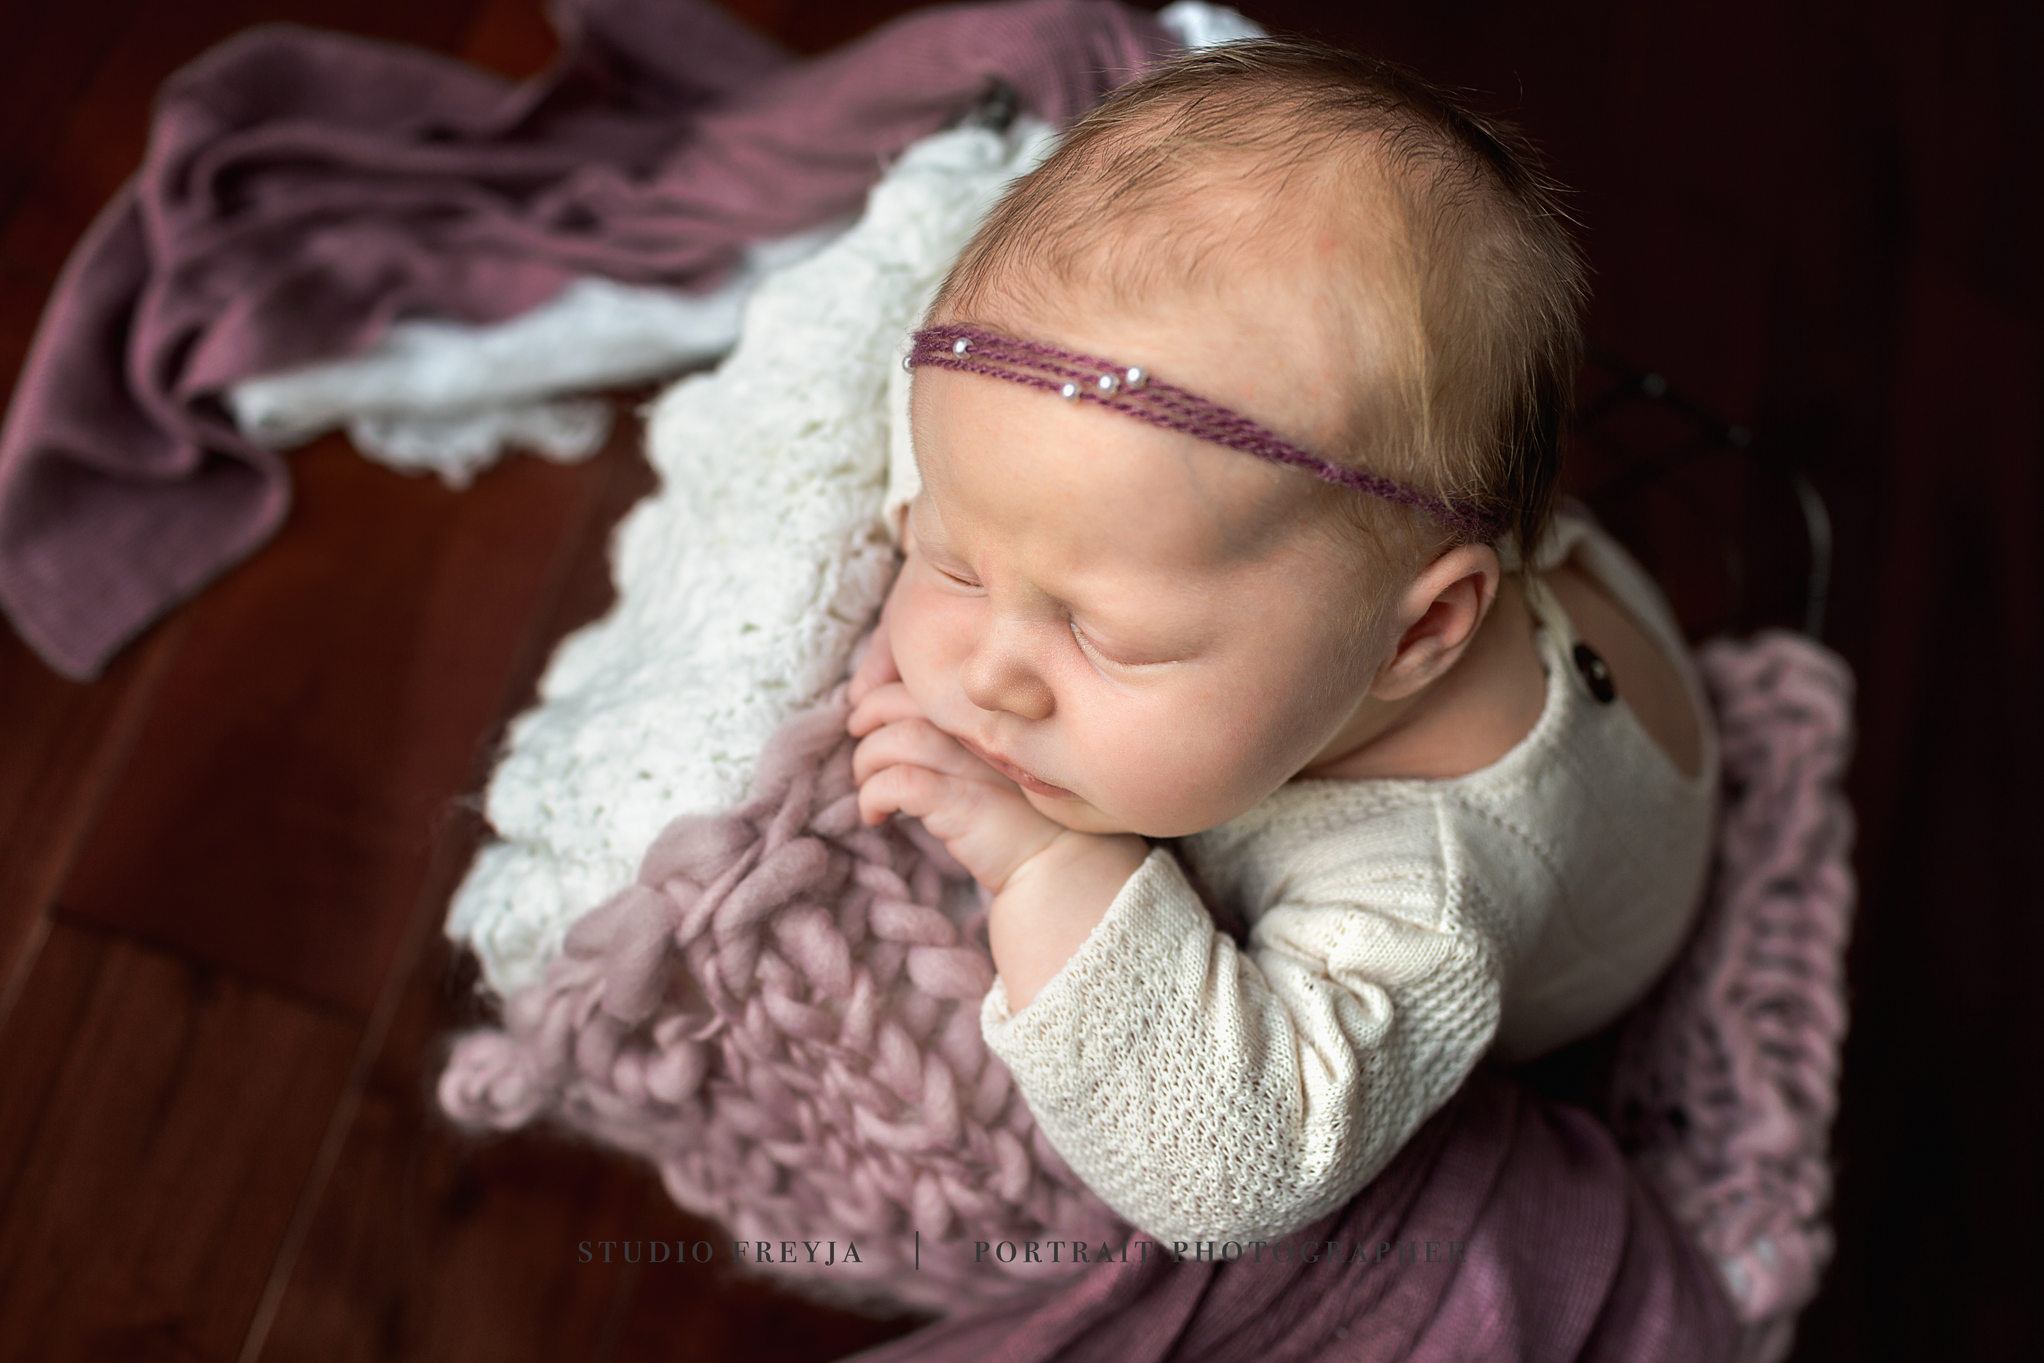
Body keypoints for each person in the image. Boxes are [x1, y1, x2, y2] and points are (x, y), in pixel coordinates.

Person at [845, 37, 1714, 1247]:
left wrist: (1048, 867)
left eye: (1109, 638)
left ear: (1416, 638)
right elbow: (978, 414)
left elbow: (1231, 1165)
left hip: (1608, 901)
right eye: (950, 560)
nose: (986, 672)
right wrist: (954, 503)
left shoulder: (1426, 873)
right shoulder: (1181, 511)